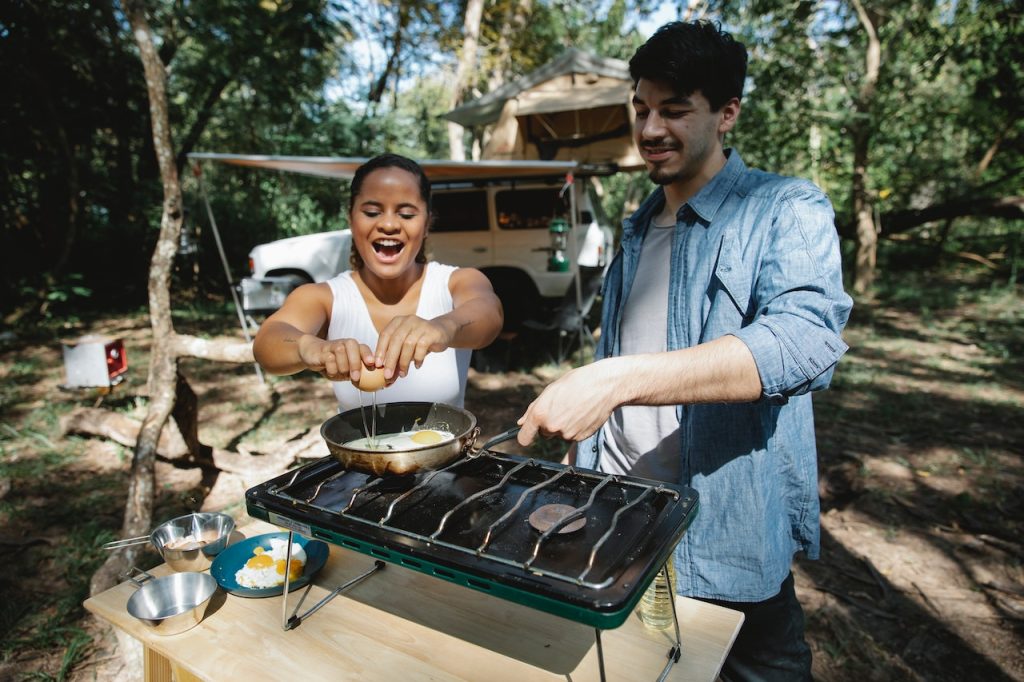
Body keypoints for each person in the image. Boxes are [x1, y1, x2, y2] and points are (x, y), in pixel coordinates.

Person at [516, 20, 853, 681]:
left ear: (727, 113)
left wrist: (618, 379)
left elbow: (807, 339)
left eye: (674, 110)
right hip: (620, 518)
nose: (649, 130)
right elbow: (628, 352)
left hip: (723, 531)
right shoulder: (638, 226)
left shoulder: (784, 206)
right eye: (641, 108)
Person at [254, 153, 503, 410]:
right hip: (355, 452)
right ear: (351, 218)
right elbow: (267, 343)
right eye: (372, 212)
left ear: (427, 224)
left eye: (406, 214)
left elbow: (489, 313)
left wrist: (445, 326)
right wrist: (307, 347)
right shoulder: (325, 297)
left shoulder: (454, 282)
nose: (388, 224)